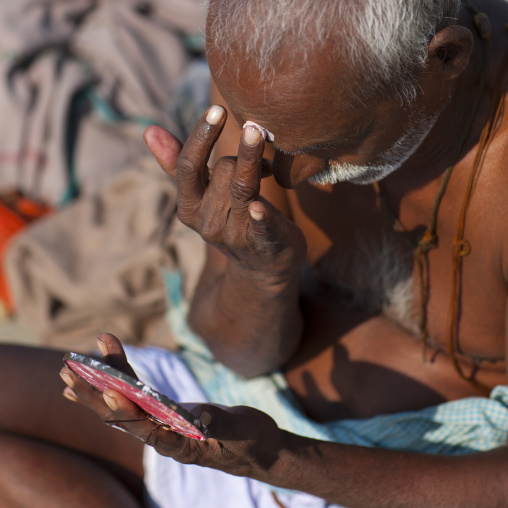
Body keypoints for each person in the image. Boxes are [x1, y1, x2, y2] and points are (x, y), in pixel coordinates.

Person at [1, 0, 508, 506]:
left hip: (398, 478)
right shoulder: (264, 71)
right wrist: (260, 275)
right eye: (255, 132)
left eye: (328, 147)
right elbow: (238, 353)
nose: (282, 172)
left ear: (446, 58)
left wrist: (284, 462)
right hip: (222, 412)